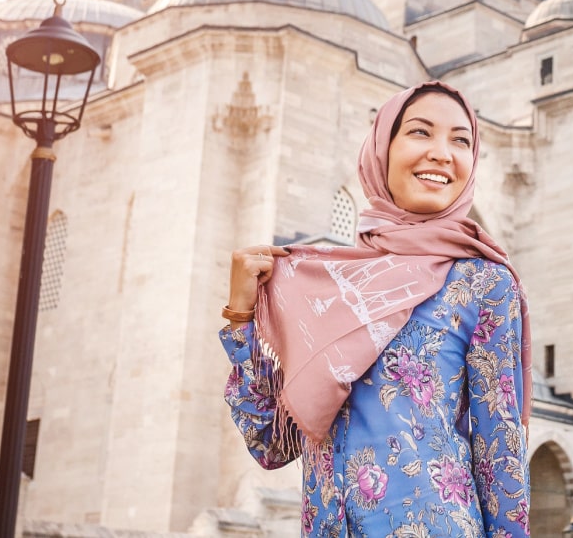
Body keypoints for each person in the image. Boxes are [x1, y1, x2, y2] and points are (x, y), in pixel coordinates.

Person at [219, 81, 531, 538]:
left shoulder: (482, 282)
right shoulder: (328, 289)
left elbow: (499, 450)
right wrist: (241, 316)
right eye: (421, 133)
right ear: (382, 148)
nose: (443, 153)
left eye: (460, 140)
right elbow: (269, 443)